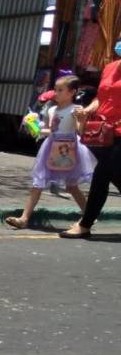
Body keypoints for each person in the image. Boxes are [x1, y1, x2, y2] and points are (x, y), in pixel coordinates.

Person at [4, 75, 94, 230]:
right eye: (55, 89)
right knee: (38, 183)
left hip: (69, 148)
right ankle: (24, 218)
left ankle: (89, 216)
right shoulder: (52, 109)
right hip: (51, 147)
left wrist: (82, 118)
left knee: (72, 186)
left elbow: (80, 131)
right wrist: (34, 127)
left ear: (72, 92)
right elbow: (50, 131)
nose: (56, 93)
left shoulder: (74, 110)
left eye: (60, 90)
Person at [60, 40, 121, 239]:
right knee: (114, 174)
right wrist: (87, 110)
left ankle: (85, 224)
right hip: (102, 131)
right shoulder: (111, 67)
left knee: (102, 174)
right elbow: (101, 98)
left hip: (119, 131)